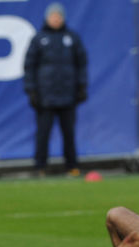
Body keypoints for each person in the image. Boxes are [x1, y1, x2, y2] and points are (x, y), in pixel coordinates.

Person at [23, 2, 87, 176]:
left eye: (59, 16)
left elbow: (81, 64)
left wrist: (81, 87)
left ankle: (72, 167)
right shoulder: (39, 39)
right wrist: (31, 91)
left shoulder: (72, 38)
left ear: (63, 18)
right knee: (43, 133)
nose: (56, 19)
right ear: (47, 18)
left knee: (69, 133)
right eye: (53, 16)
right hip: (45, 97)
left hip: (68, 95)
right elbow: (29, 66)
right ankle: (40, 167)